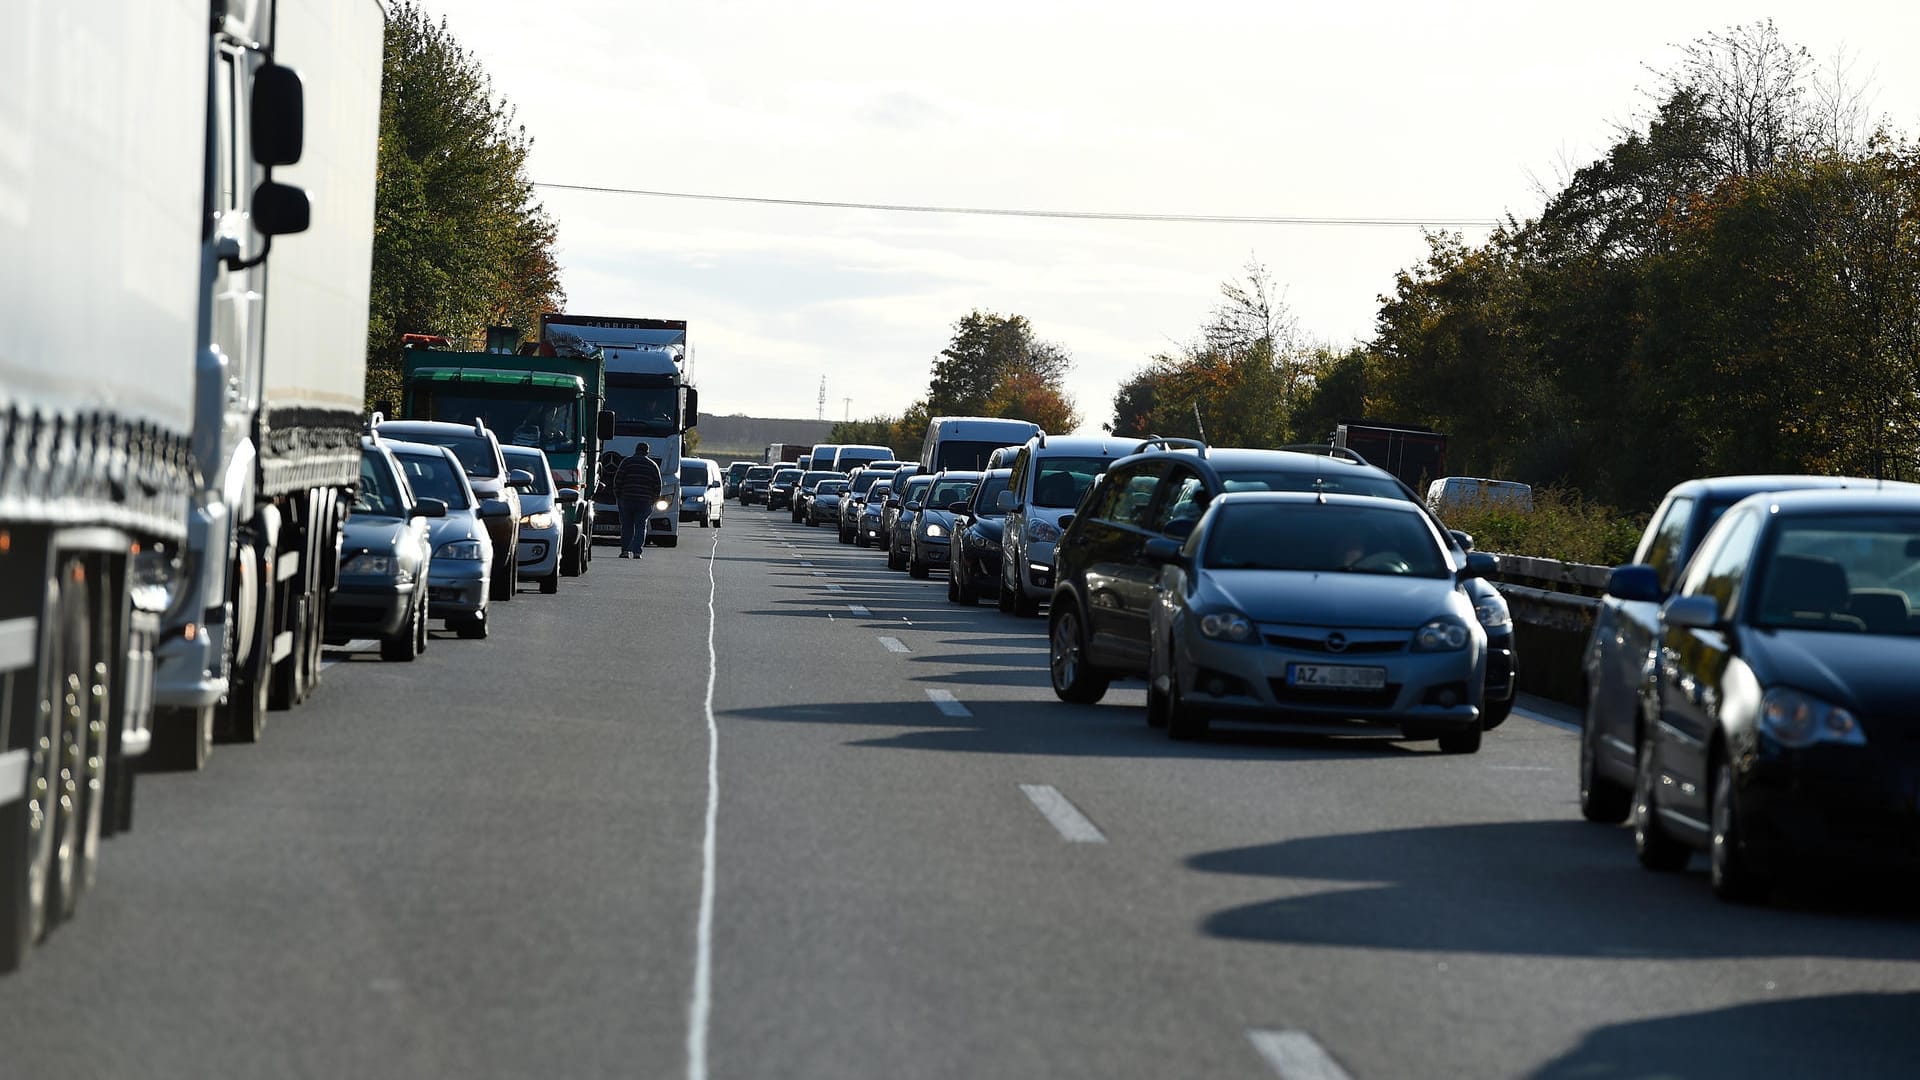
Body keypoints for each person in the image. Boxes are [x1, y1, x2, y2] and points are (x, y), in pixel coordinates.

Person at [613, 450, 663, 558]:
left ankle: (625, 551)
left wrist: (618, 495)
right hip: (644, 501)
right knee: (640, 526)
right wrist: (654, 499)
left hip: (627, 499)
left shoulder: (627, 462)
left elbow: (618, 479)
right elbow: (658, 485)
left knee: (626, 526)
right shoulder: (652, 465)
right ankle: (637, 552)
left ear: (636, 450)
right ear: (647, 452)